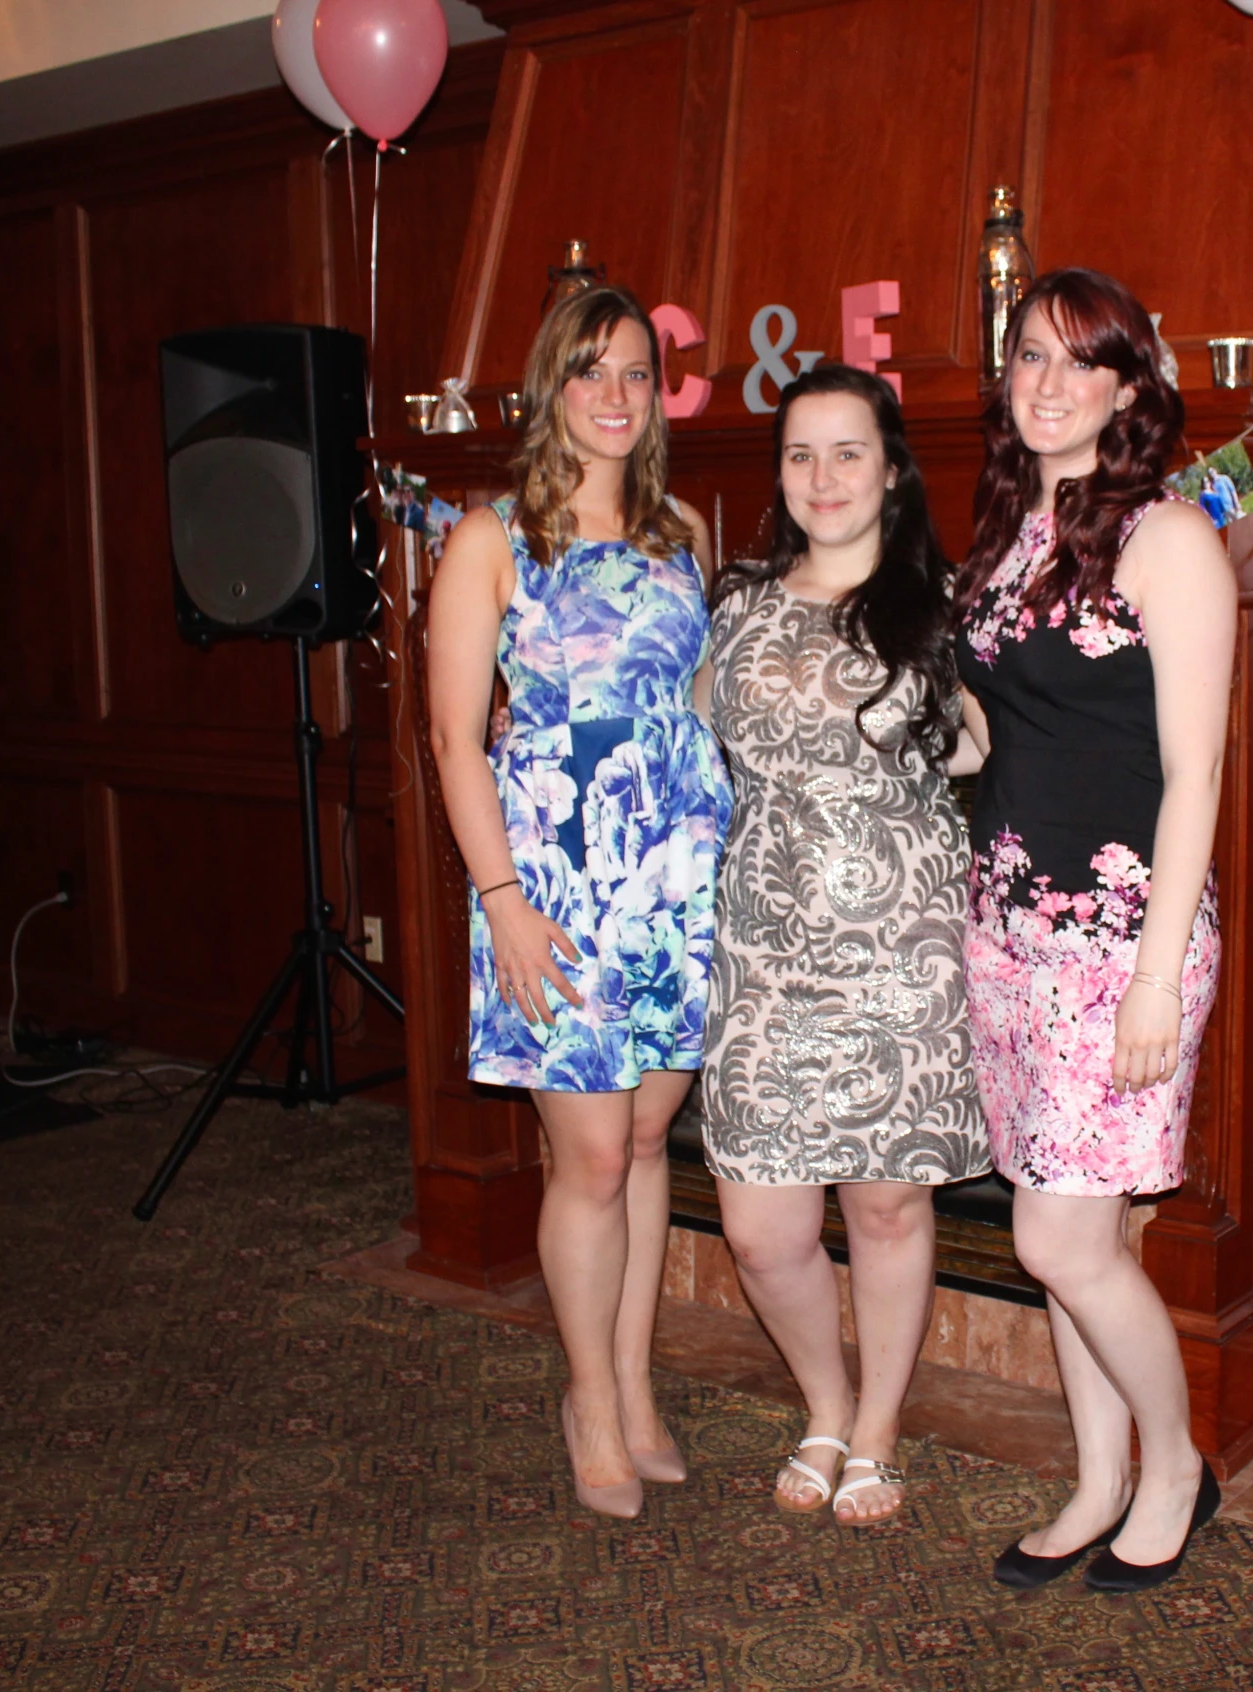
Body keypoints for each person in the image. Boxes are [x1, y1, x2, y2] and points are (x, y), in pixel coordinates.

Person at [425, 287, 732, 1521]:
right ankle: (588, 1399)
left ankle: (636, 1382)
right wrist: (500, 901)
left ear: (658, 394)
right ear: (551, 386)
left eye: (636, 374)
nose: (615, 395)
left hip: (671, 879)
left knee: (651, 1142)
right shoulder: (492, 538)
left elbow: (698, 705)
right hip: (552, 884)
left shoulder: (684, 531)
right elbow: (452, 740)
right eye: (589, 371)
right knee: (592, 1155)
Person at [956, 269, 1239, 1593]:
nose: (1046, 383)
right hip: (1010, 936)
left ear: (1131, 387)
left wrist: (1151, 985)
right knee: (1069, 1229)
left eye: (1080, 362)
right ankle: (1095, 1479)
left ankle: (1175, 1463)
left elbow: (1193, 776)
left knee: (1059, 1242)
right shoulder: (1017, 528)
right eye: (1027, 357)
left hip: (1121, 943)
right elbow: (1009, 727)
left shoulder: (1164, 539)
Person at [701, 363, 988, 1525]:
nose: (823, 477)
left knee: (884, 1211)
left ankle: (873, 1430)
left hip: (900, 960)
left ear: (890, 468)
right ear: (779, 476)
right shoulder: (736, 607)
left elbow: (987, 750)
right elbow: (673, 741)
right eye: (800, 455)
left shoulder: (940, 606)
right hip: (763, 961)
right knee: (761, 1228)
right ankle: (824, 1398)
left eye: (848, 451)